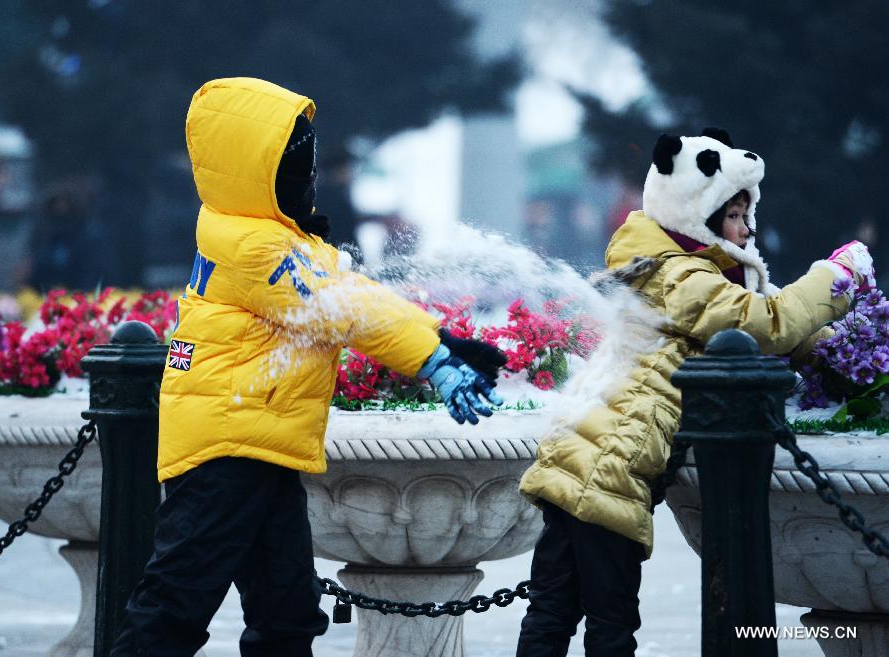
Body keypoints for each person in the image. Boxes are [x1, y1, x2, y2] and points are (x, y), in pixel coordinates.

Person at [109, 77, 505, 657]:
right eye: (297, 165)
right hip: (226, 446)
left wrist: (438, 339)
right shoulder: (253, 246)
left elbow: (355, 294)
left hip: (257, 441)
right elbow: (338, 310)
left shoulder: (275, 238)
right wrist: (433, 359)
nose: (310, 177)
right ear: (254, 171)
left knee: (288, 615)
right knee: (174, 609)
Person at [515, 129, 876, 657]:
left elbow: (765, 328)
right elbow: (766, 324)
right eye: (733, 215)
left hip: (579, 458)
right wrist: (837, 277)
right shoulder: (681, 274)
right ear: (696, 213)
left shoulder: (675, 267)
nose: (746, 228)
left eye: (747, 215)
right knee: (609, 621)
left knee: (553, 609)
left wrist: (842, 354)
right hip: (610, 468)